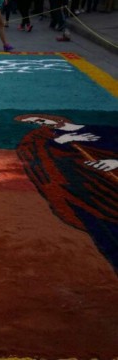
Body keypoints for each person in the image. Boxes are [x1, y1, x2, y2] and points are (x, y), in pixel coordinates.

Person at [15, 114, 118, 273]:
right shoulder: (43, 138)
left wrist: (115, 162)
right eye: (32, 123)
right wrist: (59, 142)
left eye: (39, 120)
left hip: (111, 183)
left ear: (55, 118)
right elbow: (32, 153)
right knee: (107, 234)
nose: (38, 123)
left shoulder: (102, 130)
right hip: (86, 195)